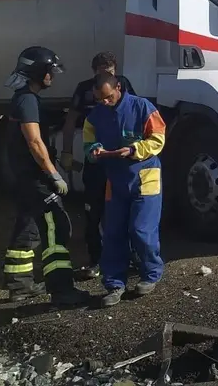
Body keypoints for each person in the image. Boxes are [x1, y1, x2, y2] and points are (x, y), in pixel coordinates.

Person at [0, 46, 90, 306]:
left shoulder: (24, 98)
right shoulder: (27, 100)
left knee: (27, 227)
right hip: (35, 178)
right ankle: (61, 289)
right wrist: (54, 175)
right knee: (56, 226)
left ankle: (20, 285)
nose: (52, 76)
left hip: (24, 177)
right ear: (37, 72)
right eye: (49, 71)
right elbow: (35, 142)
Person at [83, 73, 166, 307]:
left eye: (108, 97)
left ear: (118, 88)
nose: (104, 103)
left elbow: (158, 139)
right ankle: (114, 284)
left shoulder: (142, 107)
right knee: (113, 232)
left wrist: (133, 150)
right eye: (99, 99)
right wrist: (94, 151)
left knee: (141, 229)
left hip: (146, 176)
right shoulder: (95, 116)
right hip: (116, 180)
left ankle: (151, 274)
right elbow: (88, 143)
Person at [61, 51, 137, 281]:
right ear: (94, 71)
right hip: (96, 158)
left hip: (121, 159)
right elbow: (71, 120)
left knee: (125, 209)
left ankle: (129, 258)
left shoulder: (123, 84)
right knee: (93, 211)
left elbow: (135, 114)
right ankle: (96, 260)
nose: (107, 74)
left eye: (110, 70)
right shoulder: (84, 89)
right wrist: (66, 151)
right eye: (102, 70)